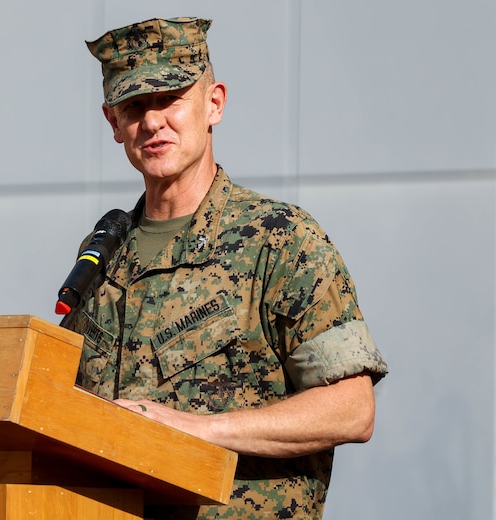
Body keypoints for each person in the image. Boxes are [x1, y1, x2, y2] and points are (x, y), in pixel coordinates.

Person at [69, 17, 388, 519]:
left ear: (214, 103)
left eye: (169, 98)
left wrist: (198, 430)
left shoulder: (278, 239)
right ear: (113, 123)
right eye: (134, 106)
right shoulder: (103, 255)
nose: (152, 122)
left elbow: (352, 409)